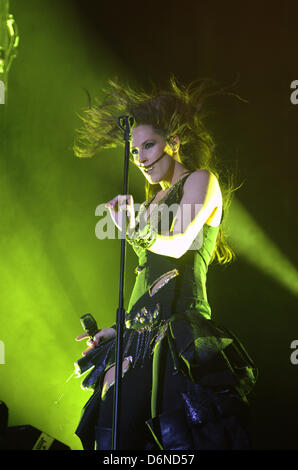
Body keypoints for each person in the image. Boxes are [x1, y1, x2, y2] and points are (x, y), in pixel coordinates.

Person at [73, 77, 257, 450]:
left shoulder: (201, 181)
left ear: (173, 142)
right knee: (112, 433)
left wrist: (136, 233)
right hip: (140, 336)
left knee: (176, 435)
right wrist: (119, 328)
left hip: (178, 334)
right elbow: (149, 277)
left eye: (149, 145)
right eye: (134, 150)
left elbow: (178, 246)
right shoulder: (152, 203)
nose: (140, 158)